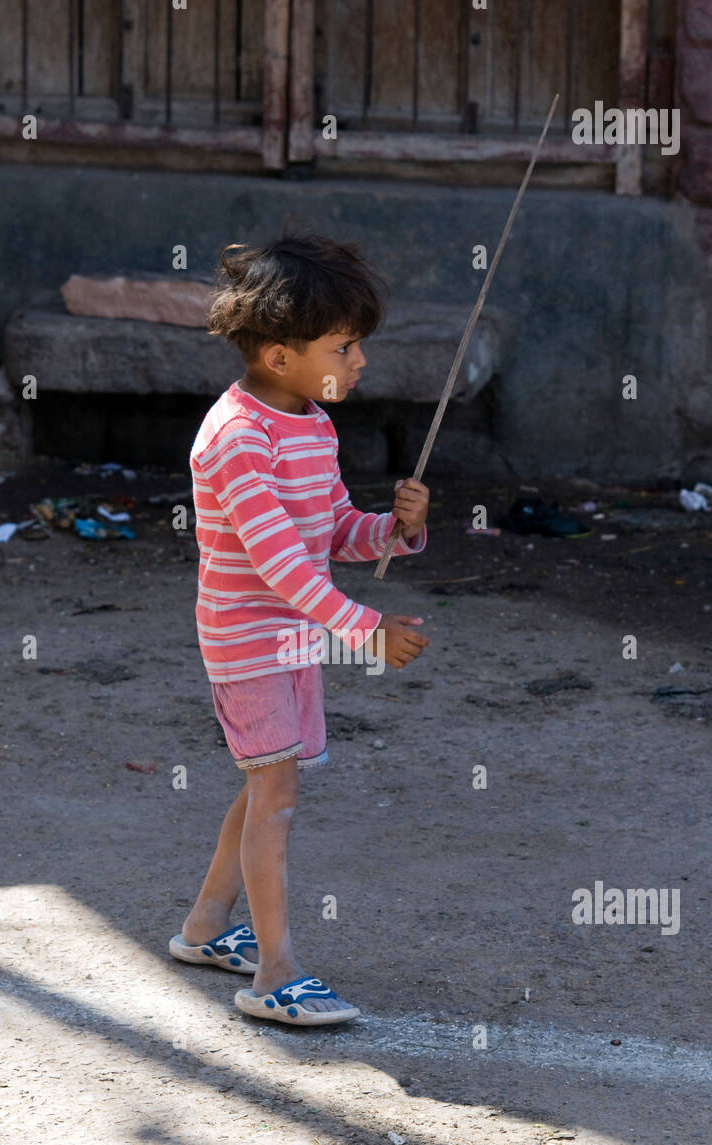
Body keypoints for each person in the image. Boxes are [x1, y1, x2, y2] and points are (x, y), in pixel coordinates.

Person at [169, 232, 429, 1025]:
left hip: (294, 638)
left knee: (266, 787)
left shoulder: (310, 423)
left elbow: (329, 532)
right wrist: (367, 632)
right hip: (247, 641)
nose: (358, 362)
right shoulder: (236, 438)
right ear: (280, 355)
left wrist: (391, 529)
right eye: (343, 346)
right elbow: (281, 567)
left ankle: (206, 928)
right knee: (275, 794)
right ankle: (274, 974)